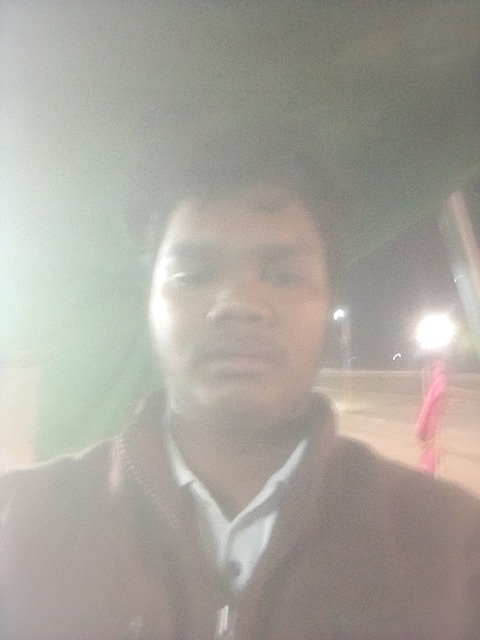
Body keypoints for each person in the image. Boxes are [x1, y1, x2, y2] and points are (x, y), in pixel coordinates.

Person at [1, 139, 480, 640]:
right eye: (193, 274)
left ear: (327, 304)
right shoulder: (18, 523)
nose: (239, 302)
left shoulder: (452, 545)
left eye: (284, 276)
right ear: (150, 302)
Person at [415, 358, 448, 475]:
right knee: (431, 448)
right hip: (433, 422)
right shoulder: (440, 383)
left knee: (430, 448)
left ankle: (427, 472)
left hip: (431, 423)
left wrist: (421, 425)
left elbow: (429, 406)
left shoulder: (438, 384)